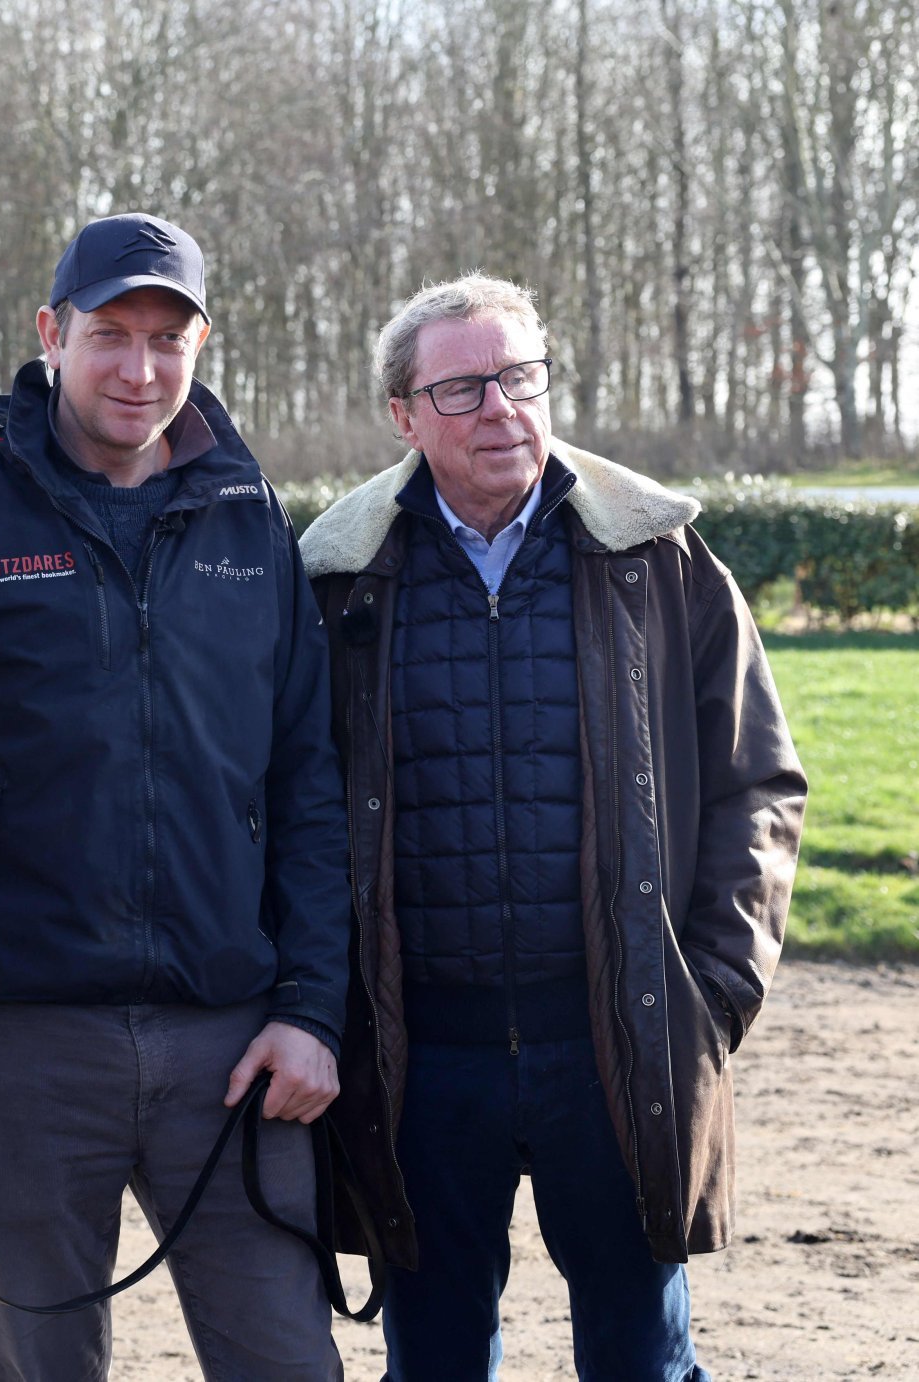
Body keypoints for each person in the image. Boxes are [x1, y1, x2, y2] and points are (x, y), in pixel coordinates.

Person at [0, 214, 351, 1380]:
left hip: (231, 1043)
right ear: (50, 334)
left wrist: (313, 1007)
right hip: (15, 1041)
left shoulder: (248, 518)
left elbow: (309, 781)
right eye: (109, 333)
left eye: (169, 339)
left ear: (202, 345)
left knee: (288, 1360)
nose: (139, 367)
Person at [298, 273, 808, 1380]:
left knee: (641, 1358)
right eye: (464, 387)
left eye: (521, 377)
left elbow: (758, 784)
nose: (502, 409)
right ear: (403, 413)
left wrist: (711, 992)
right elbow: (287, 805)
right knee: (432, 1362)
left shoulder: (660, 561)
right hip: (419, 1060)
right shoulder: (337, 582)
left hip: (613, 1044)